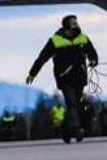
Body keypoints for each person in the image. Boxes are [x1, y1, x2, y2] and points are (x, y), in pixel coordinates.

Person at [26, 14, 98, 144]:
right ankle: (77, 130)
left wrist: (93, 60)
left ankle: (65, 131)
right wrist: (32, 73)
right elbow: (42, 58)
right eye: (73, 22)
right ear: (66, 25)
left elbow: (92, 51)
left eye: (76, 22)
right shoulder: (55, 40)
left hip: (80, 76)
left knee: (75, 105)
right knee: (71, 103)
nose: (76, 24)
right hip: (64, 77)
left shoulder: (83, 38)